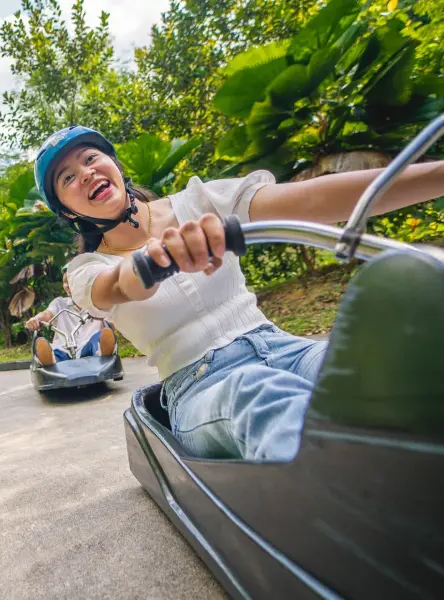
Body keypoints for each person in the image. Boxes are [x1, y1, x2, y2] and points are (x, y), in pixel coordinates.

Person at [34, 125, 444, 462]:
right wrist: (155, 261)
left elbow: (313, 198)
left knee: (382, 367)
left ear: (113, 166)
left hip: (282, 347)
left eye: (90, 159)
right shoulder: (86, 269)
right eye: (68, 178)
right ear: (69, 211)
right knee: (258, 392)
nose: (85, 173)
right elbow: (119, 287)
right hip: (198, 386)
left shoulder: (201, 201)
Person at [25, 267, 116, 365]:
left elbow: (111, 322)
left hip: (89, 349)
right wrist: (36, 319)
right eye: (65, 282)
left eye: (71, 281)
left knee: (99, 338)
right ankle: (50, 360)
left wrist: (109, 323)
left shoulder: (96, 303)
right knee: (54, 350)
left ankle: (104, 353)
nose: (67, 285)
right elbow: (47, 314)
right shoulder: (59, 303)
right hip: (63, 350)